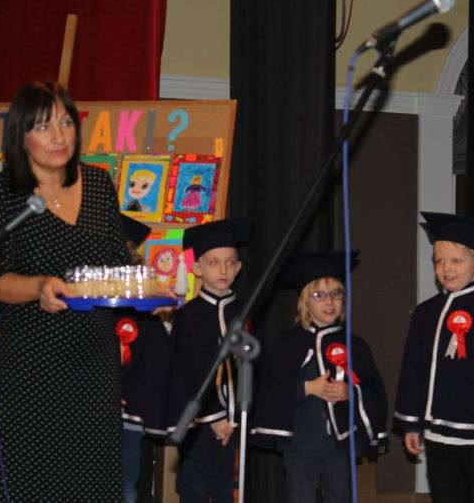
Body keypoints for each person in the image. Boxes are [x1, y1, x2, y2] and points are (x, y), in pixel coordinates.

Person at [0, 80, 130, 502]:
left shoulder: (98, 185)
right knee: (31, 482)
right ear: (21, 136)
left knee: (91, 482)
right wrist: (39, 286)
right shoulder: (2, 193)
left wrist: (155, 291)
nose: (59, 136)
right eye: (43, 127)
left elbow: (118, 261)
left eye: (66, 122)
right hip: (32, 362)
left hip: (94, 360)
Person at [394, 212, 474, 503]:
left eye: (456, 261)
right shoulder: (425, 313)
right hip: (438, 436)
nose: (446, 268)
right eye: (439, 261)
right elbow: (413, 370)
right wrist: (412, 423)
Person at [252, 251, 388, 503]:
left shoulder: (355, 345)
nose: (329, 301)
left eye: (336, 294)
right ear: (305, 303)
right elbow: (272, 391)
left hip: (340, 443)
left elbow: (374, 391)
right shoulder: (288, 345)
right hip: (300, 443)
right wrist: (306, 388)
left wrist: (350, 392)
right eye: (319, 295)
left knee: (340, 495)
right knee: (300, 496)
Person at [167, 218, 251, 503]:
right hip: (199, 423)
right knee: (195, 489)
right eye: (214, 263)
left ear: (238, 267)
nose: (223, 270)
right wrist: (214, 417)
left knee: (229, 490)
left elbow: (254, 368)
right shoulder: (188, 317)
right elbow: (186, 370)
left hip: (237, 423)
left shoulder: (245, 313)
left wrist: (237, 416)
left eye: (230, 262)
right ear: (197, 268)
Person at [118, 213, 171, 503]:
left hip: (128, 418)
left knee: (125, 489)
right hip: (83, 413)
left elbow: (154, 365)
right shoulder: (79, 303)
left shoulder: (143, 311)